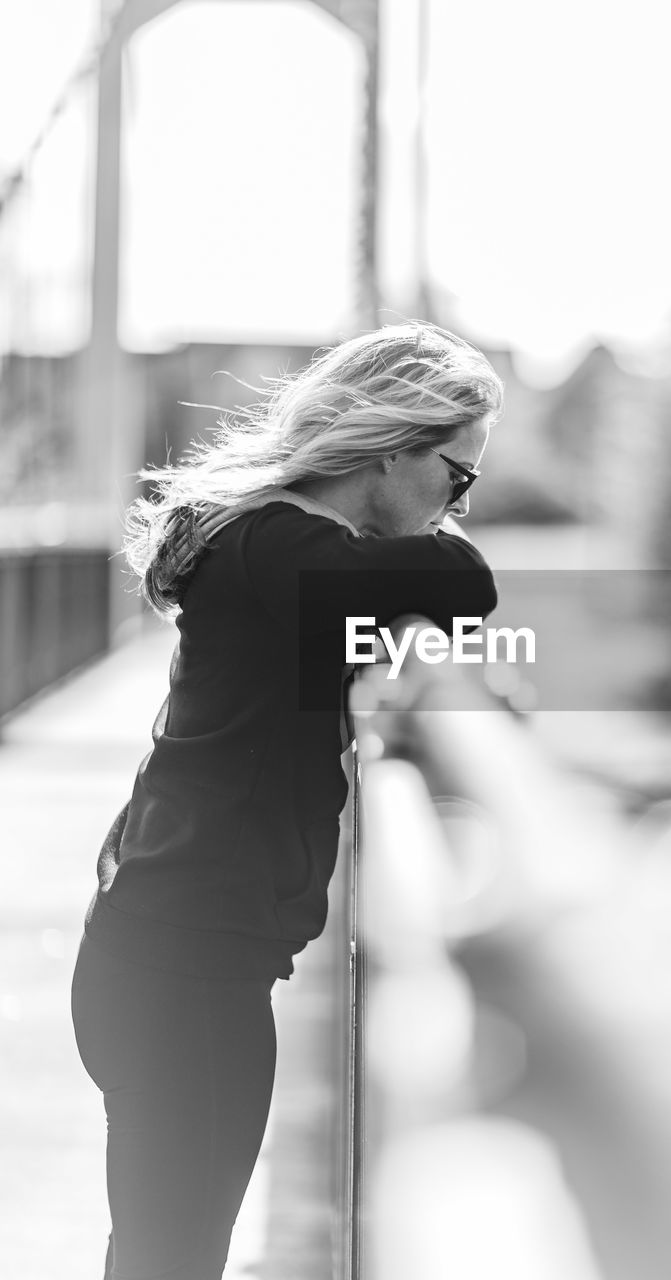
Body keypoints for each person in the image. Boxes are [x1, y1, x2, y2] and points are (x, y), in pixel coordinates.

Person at [71, 321, 502, 1280]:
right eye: (455, 475)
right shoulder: (284, 548)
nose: (454, 505)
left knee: (158, 1253)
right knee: (171, 1260)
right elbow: (464, 581)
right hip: (188, 972)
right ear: (390, 443)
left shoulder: (276, 546)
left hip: (167, 951)